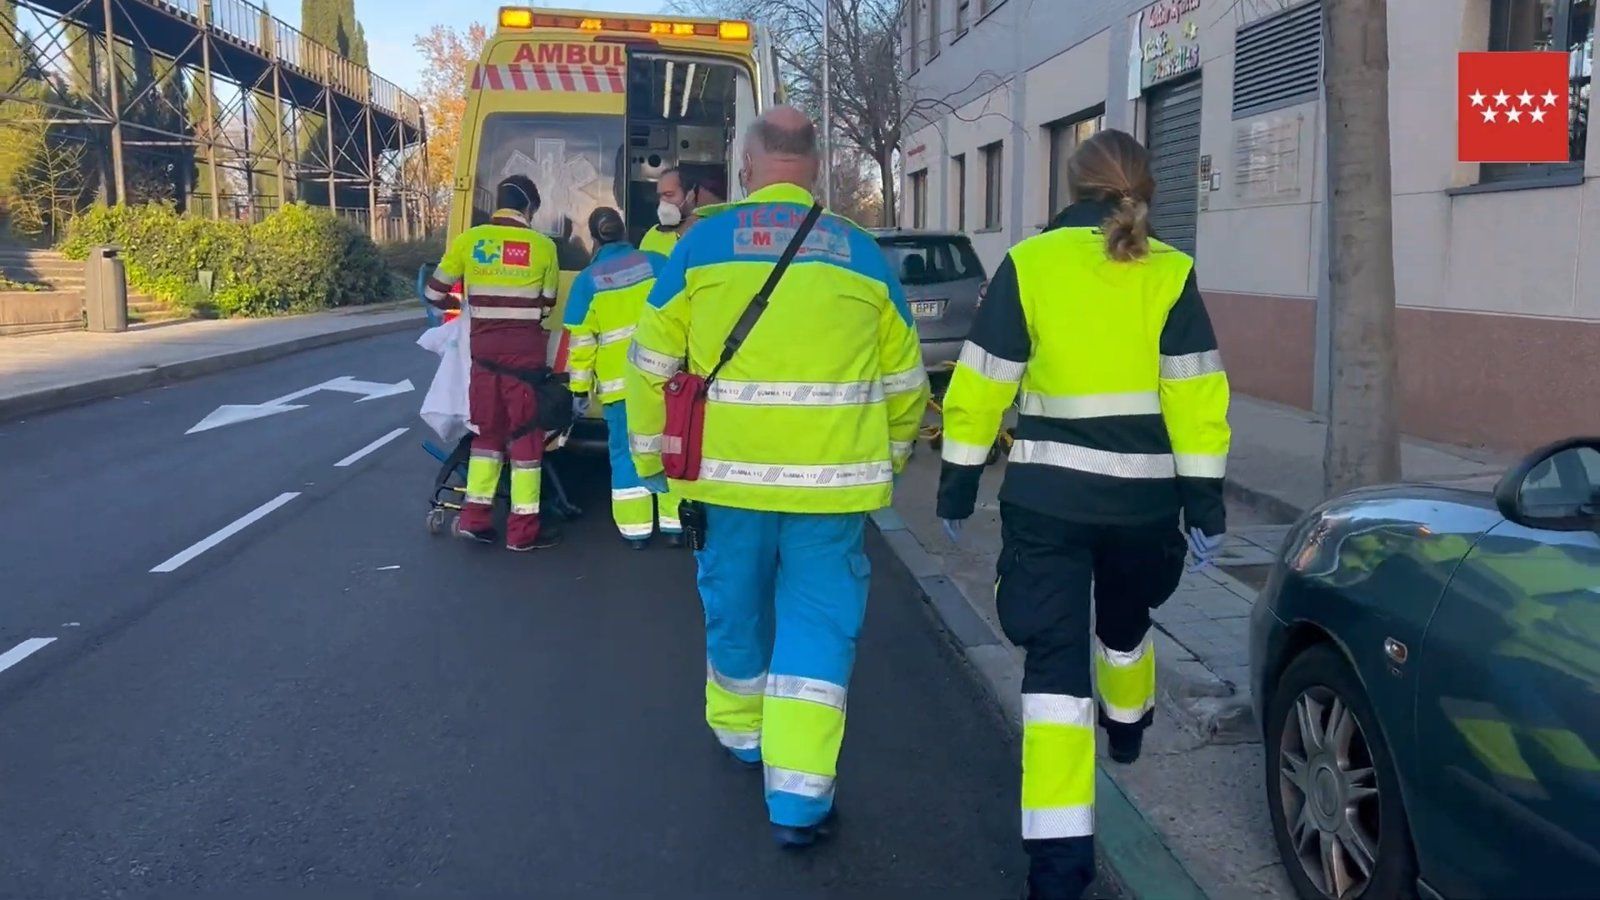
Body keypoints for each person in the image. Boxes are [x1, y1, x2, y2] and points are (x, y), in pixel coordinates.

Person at [935, 129, 1231, 900]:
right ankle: (1128, 730)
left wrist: (958, 484)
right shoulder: (1170, 271)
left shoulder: (1031, 265)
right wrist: (1205, 499)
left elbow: (981, 385)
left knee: (1055, 677)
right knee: (1127, 624)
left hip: (1048, 507)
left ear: (1071, 185)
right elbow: (1196, 396)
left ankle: (1060, 867)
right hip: (1142, 506)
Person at [624, 106, 929, 848]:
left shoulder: (699, 247)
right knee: (820, 632)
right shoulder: (861, 253)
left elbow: (651, 364)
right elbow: (907, 386)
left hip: (726, 487)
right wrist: (883, 461)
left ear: (747, 170)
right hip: (832, 492)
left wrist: (652, 464)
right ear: (816, 169)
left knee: (733, 606)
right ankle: (798, 802)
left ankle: (739, 735)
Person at [423, 174, 563, 552]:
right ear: (529, 208)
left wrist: (470, 308)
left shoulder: (469, 241)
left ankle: (474, 519)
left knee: (487, 437)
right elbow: (547, 303)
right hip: (524, 364)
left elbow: (433, 292)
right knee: (526, 441)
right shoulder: (543, 246)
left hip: (482, 361)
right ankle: (522, 533)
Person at [563, 207, 685, 548]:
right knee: (669, 447)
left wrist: (578, 389)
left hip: (620, 389)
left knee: (627, 454)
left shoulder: (588, 280)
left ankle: (637, 533)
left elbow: (583, 343)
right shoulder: (658, 262)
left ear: (595, 237)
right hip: (665, 380)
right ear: (624, 231)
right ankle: (675, 526)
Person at [639, 166, 725, 256]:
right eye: (660, 196)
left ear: (690, 195)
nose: (663, 202)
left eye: (669, 195)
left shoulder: (713, 233)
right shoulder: (653, 235)